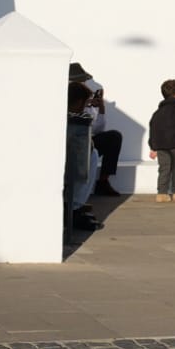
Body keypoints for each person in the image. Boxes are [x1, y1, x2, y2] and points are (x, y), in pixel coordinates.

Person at [70, 62, 124, 197]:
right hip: (71, 139)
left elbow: (98, 128)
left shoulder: (86, 100)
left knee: (114, 137)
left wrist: (100, 109)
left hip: (87, 137)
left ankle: (103, 181)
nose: (83, 84)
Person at [63, 81, 102, 232]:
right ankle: (74, 206)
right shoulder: (75, 119)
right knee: (92, 156)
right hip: (70, 165)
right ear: (79, 102)